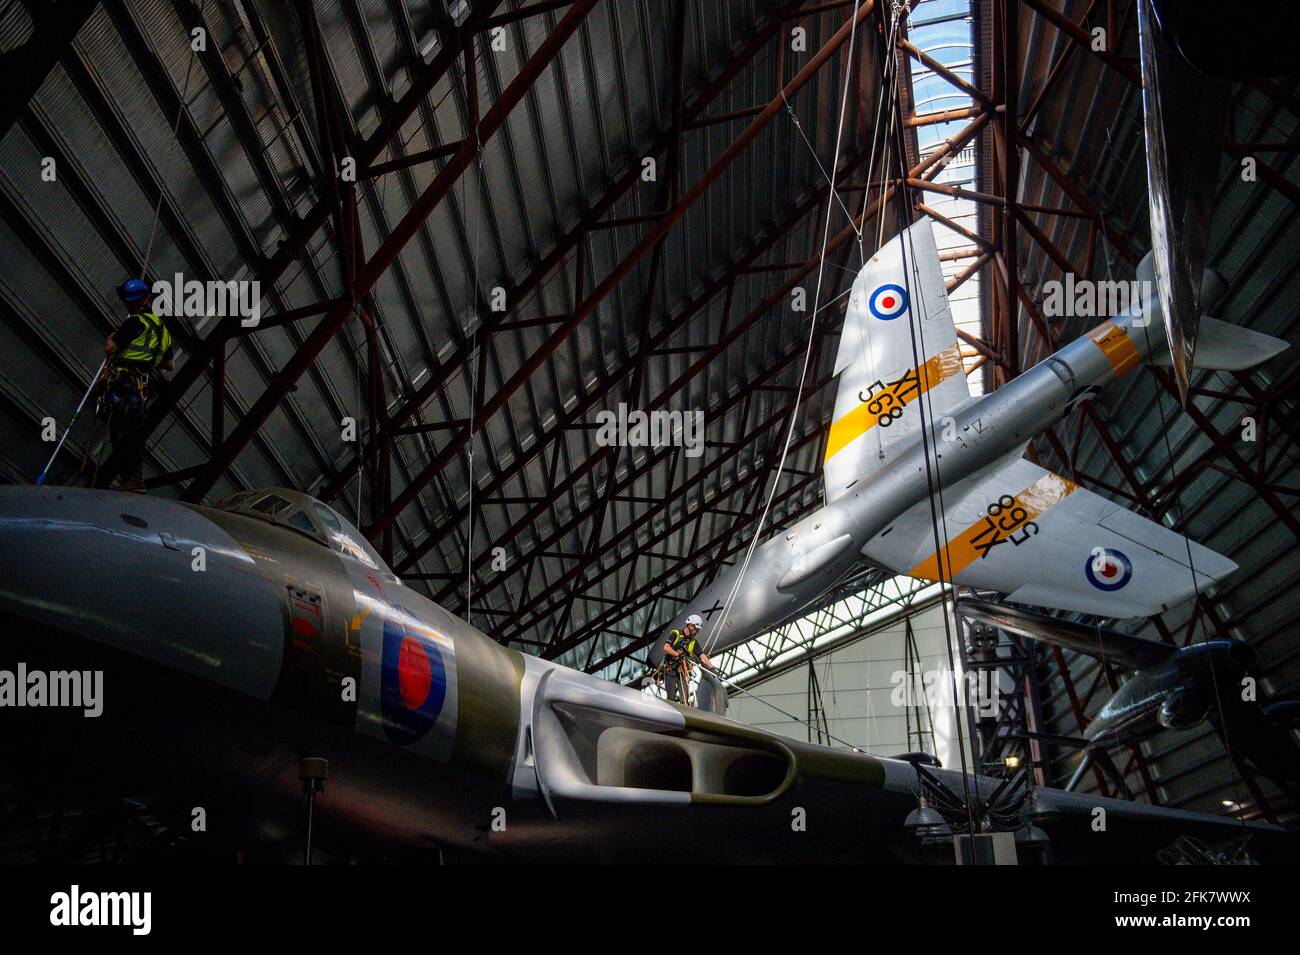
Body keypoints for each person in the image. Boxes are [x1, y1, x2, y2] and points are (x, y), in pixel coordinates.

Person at [102, 278, 172, 492]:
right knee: (132, 431)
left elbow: (111, 349)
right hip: (141, 386)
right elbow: (169, 364)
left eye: (129, 302)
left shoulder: (134, 322)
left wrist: (113, 336)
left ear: (141, 300)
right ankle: (131, 479)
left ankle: (131, 479)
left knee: (120, 431)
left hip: (125, 382)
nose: (127, 305)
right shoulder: (163, 331)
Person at [661, 613, 713, 704]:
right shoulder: (676, 634)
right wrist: (677, 654)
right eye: (696, 629)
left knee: (685, 698)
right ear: (690, 626)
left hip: (682, 672)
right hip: (670, 670)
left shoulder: (693, 642)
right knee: (671, 697)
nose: (697, 632)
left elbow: (702, 656)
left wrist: (712, 668)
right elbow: (666, 647)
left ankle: (684, 713)